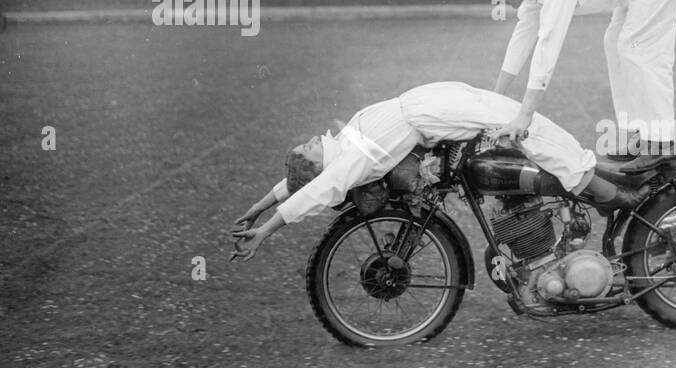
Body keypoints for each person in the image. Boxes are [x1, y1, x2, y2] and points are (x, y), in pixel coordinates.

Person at [229, 80, 649, 262]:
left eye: (303, 149)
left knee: (556, 152)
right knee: (548, 149)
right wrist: (264, 230)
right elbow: (311, 190)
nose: (306, 145)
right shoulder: (350, 160)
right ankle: (625, 194)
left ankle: (629, 194)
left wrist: (256, 209)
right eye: (307, 153)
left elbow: (298, 182)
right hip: (453, 112)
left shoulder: (346, 145)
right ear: (322, 168)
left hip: (450, 104)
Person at [476, 0, 676, 173]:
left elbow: (549, 43)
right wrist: (494, 98)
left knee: (638, 47)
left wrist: (524, 116)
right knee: (615, 43)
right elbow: (522, 37)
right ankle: (642, 135)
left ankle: (661, 146)